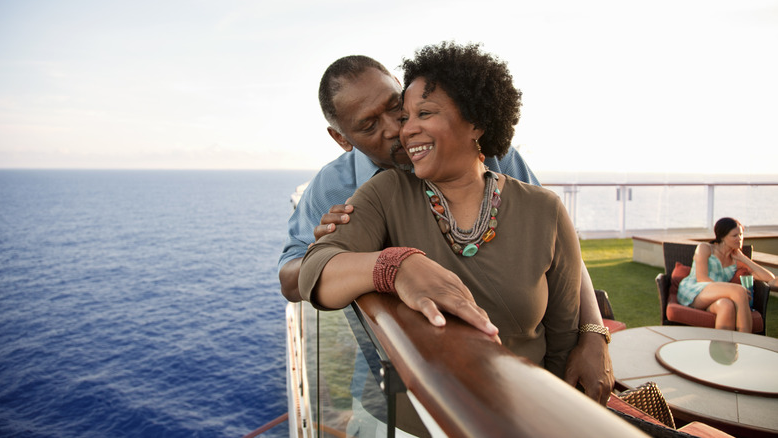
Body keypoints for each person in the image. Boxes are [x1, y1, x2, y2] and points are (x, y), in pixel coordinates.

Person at [278, 54, 613, 403]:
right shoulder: (343, 189)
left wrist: (593, 333)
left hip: (522, 394)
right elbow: (293, 277)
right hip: (396, 375)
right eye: (369, 126)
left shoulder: (493, 156)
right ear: (341, 138)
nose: (396, 128)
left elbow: (555, 247)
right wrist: (361, 259)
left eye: (398, 108)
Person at [677, 217, 777, 332]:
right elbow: (702, 278)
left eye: (741, 234)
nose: (739, 238)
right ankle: (747, 343)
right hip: (695, 291)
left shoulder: (736, 260)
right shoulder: (705, 248)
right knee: (739, 291)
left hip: (718, 296)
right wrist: (729, 291)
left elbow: (769, 278)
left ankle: (724, 348)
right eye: (735, 236)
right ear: (722, 237)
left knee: (726, 305)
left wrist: (744, 258)